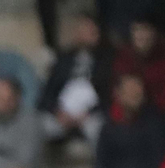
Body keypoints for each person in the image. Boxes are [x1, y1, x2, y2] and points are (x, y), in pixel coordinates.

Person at [40, 10, 114, 150]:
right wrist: (57, 111)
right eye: (82, 29)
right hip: (62, 114)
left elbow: (109, 96)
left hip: (90, 115)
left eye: (91, 31)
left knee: (98, 129)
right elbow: (48, 93)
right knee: (40, 125)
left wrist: (88, 113)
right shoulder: (63, 59)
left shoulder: (107, 61)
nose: (86, 34)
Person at [113, 15, 165, 113]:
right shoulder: (124, 57)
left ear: (154, 33)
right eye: (137, 30)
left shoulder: (163, 56)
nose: (142, 35)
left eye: (146, 29)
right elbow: (119, 92)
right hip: (129, 113)